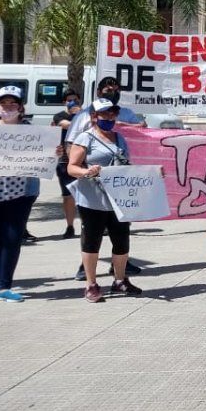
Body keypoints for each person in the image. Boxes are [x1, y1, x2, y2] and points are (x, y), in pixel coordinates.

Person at [67, 98, 141, 303]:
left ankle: (119, 280)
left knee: (121, 240)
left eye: (112, 113)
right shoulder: (85, 138)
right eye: (104, 113)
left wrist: (149, 175)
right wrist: (86, 172)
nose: (109, 117)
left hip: (117, 200)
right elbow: (71, 167)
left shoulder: (120, 139)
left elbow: (126, 165)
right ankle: (91, 284)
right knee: (92, 241)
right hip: (92, 200)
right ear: (93, 116)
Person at [0, 86, 41, 302]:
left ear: (21, 107)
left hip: (22, 193)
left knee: (12, 238)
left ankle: (5, 286)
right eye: (4, 103)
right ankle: (0, 282)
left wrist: (54, 152)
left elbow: (46, 157)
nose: (8, 107)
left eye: (13, 103)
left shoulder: (32, 132)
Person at [52, 90, 82, 239]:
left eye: (75, 100)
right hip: (65, 161)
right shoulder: (59, 116)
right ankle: (70, 226)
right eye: (69, 100)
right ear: (64, 102)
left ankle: (89, 225)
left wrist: (81, 114)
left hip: (83, 160)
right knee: (68, 196)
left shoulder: (85, 115)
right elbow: (68, 125)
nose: (72, 103)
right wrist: (78, 116)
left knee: (86, 194)